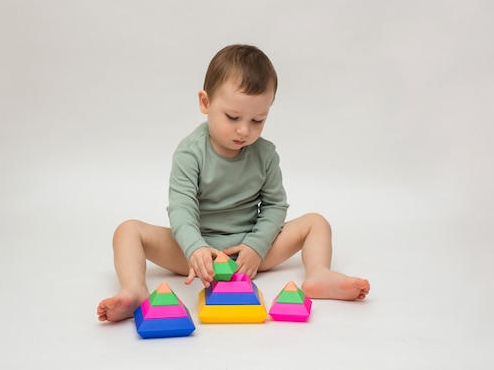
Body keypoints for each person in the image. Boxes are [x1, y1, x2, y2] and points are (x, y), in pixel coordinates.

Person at [97, 44, 370, 322]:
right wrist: (195, 249)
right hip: (199, 253)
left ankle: (318, 274)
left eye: (257, 120)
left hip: (250, 250)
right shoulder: (190, 152)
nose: (244, 130)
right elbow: (181, 209)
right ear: (205, 102)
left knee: (316, 222)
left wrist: (256, 246)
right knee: (127, 230)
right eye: (232, 117)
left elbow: (275, 206)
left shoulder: (265, 154)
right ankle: (135, 289)